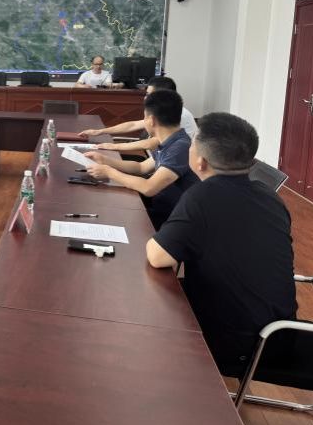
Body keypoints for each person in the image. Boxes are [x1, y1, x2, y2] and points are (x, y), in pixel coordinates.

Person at [146, 113, 296, 376]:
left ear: (200, 162)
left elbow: (158, 257)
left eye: (192, 143)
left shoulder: (202, 197)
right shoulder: (269, 196)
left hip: (239, 343)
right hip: (280, 334)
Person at [84, 89, 199, 229]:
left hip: (172, 219)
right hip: (161, 207)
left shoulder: (179, 147)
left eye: (144, 117)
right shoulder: (170, 140)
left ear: (151, 120)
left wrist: (109, 172)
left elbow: (149, 187)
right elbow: (141, 167)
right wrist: (105, 160)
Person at [79, 76, 198, 152]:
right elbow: (133, 125)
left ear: (162, 95)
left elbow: (152, 143)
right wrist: (99, 131)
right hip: (154, 160)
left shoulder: (179, 114)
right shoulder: (164, 109)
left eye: (149, 94)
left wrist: (115, 146)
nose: (145, 98)